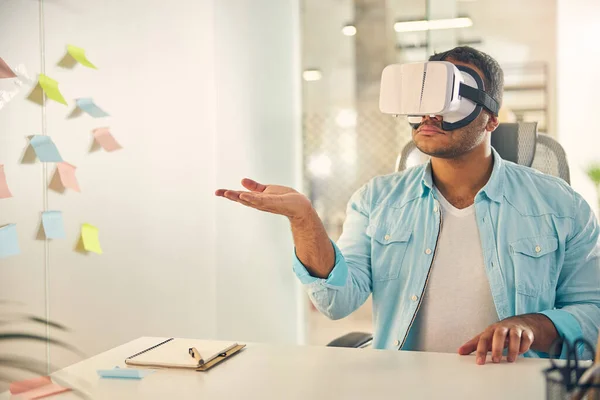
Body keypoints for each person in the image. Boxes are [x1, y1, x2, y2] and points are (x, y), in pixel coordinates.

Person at [215, 46, 600, 364]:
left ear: (491, 119)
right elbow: (336, 301)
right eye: (424, 97)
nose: (431, 113)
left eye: (449, 96)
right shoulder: (376, 199)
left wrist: (532, 325)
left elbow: (592, 312)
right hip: (405, 383)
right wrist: (304, 220)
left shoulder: (561, 206)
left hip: (513, 384)